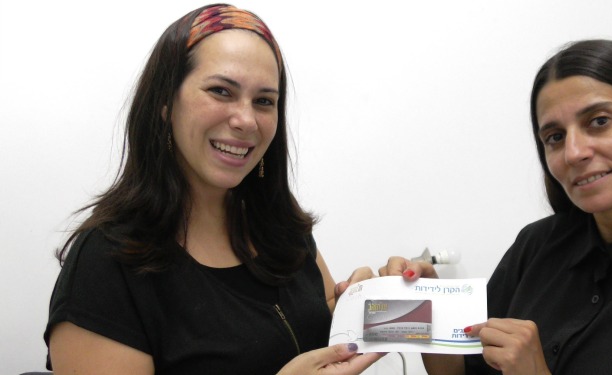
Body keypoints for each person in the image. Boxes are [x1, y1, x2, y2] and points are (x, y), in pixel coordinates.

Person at [44, 4, 381, 374]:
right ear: (165, 102)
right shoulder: (106, 263)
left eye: (264, 101)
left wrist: (366, 306)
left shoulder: (282, 231)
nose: (246, 120)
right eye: (221, 91)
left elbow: (307, 336)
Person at [380, 39, 612, 374]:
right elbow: (463, 371)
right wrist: (429, 313)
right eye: (555, 137)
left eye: (599, 122)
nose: (574, 153)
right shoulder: (537, 246)